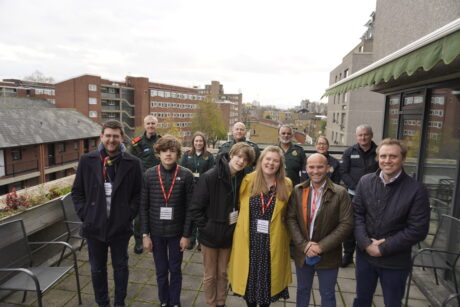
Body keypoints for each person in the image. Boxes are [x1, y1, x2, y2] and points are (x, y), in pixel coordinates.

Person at [72, 120, 143, 307]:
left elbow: (139, 194)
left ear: (122, 138)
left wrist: (129, 214)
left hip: (120, 226)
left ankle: (120, 303)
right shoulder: (87, 161)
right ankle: (102, 303)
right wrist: (85, 215)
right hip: (94, 226)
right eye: (108, 135)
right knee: (97, 269)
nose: (111, 140)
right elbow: (77, 192)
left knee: (121, 267)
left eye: (116, 136)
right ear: (101, 137)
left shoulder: (133, 163)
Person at [353, 138, 430, 307]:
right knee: (361, 300)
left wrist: (382, 248)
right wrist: (366, 244)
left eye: (393, 156)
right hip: (365, 257)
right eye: (383, 156)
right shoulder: (365, 182)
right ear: (378, 158)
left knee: (393, 303)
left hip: (395, 261)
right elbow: (357, 215)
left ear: (403, 159)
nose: (387, 160)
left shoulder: (416, 190)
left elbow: (418, 229)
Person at [190, 143, 256, 307]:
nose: (241, 162)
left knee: (223, 273)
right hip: (210, 235)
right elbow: (196, 208)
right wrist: (207, 228)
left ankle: (221, 303)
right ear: (231, 155)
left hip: (229, 234)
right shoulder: (210, 176)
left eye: (245, 160)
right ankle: (211, 303)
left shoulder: (242, 179)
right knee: (210, 275)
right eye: (239, 156)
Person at [228, 146, 293, 307]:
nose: (271, 163)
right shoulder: (248, 180)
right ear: (261, 161)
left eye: (275, 160)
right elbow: (238, 205)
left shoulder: (286, 184)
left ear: (280, 164)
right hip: (250, 241)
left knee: (267, 288)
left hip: (272, 243)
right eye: (267, 159)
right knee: (249, 286)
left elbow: (290, 213)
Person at [286, 153, 353, 307]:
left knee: (328, 293)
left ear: (328, 168)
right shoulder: (298, 190)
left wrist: (320, 246)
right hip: (303, 253)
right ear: (306, 168)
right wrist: (304, 245)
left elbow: (346, 224)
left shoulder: (340, 193)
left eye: (320, 167)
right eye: (311, 167)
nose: (315, 171)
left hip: (329, 254)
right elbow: (290, 218)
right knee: (302, 290)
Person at [139, 135, 194, 307]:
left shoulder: (186, 175)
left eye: (172, 151)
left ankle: (175, 302)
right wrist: (145, 235)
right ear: (158, 154)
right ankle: (164, 301)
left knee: (175, 270)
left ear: (178, 154)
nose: (168, 154)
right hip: (156, 233)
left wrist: (187, 235)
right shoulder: (149, 175)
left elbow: (190, 209)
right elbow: (144, 207)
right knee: (161, 271)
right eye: (164, 151)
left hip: (177, 234)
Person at [339, 124, 379, 267]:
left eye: (366, 134)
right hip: (352, 194)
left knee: (369, 225)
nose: (363, 137)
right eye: (360, 135)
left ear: (371, 135)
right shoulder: (349, 151)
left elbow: (382, 173)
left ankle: (367, 254)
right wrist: (357, 187)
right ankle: (348, 255)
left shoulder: (379, 152)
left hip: (373, 196)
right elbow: (343, 172)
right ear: (357, 137)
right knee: (349, 225)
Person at [128, 115, 161, 254]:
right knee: (140, 214)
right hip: (142, 182)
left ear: (156, 125)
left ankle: (155, 239)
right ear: (144, 124)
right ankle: (139, 242)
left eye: (153, 123)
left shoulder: (162, 141)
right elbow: (130, 162)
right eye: (148, 123)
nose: (151, 126)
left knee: (157, 212)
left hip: (159, 182)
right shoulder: (137, 143)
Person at [180, 131, 215, 250]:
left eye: (201, 141)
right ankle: (191, 239)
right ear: (193, 142)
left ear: (204, 142)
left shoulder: (209, 156)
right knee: (191, 213)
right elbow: (182, 170)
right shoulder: (187, 155)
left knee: (202, 214)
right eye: (196, 141)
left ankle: (201, 240)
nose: (198, 143)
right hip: (190, 188)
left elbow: (212, 172)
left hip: (203, 189)